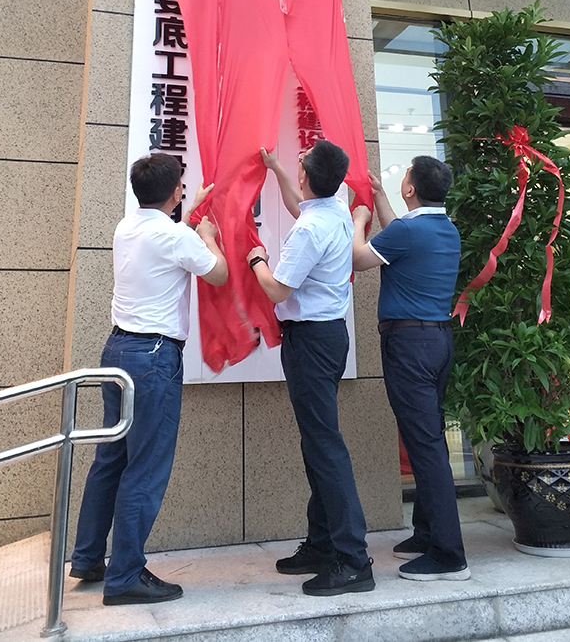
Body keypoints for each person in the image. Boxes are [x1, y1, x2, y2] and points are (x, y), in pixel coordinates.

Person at [69, 153, 228, 605]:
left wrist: (189, 213)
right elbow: (219, 274)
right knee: (145, 467)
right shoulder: (177, 237)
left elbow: (169, 234)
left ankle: (87, 558)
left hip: (117, 351)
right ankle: (124, 578)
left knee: (111, 460)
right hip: (154, 358)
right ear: (175, 191)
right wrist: (208, 236)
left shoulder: (127, 228)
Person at [247, 140, 374, 597]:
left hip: (311, 343)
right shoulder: (333, 209)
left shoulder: (310, 229)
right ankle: (323, 544)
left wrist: (256, 259)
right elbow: (297, 203)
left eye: (300, 164)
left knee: (324, 446)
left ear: (308, 176)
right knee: (317, 443)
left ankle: (353, 560)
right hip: (329, 337)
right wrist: (276, 168)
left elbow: (278, 290)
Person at [351, 156, 470, 582]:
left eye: (403, 177)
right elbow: (397, 236)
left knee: (425, 445)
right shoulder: (444, 229)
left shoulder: (407, 231)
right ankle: (427, 532)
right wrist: (380, 196)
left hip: (409, 345)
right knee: (428, 437)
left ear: (411, 190)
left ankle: (449, 554)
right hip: (436, 342)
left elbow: (359, 258)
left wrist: (359, 219)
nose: (400, 180)